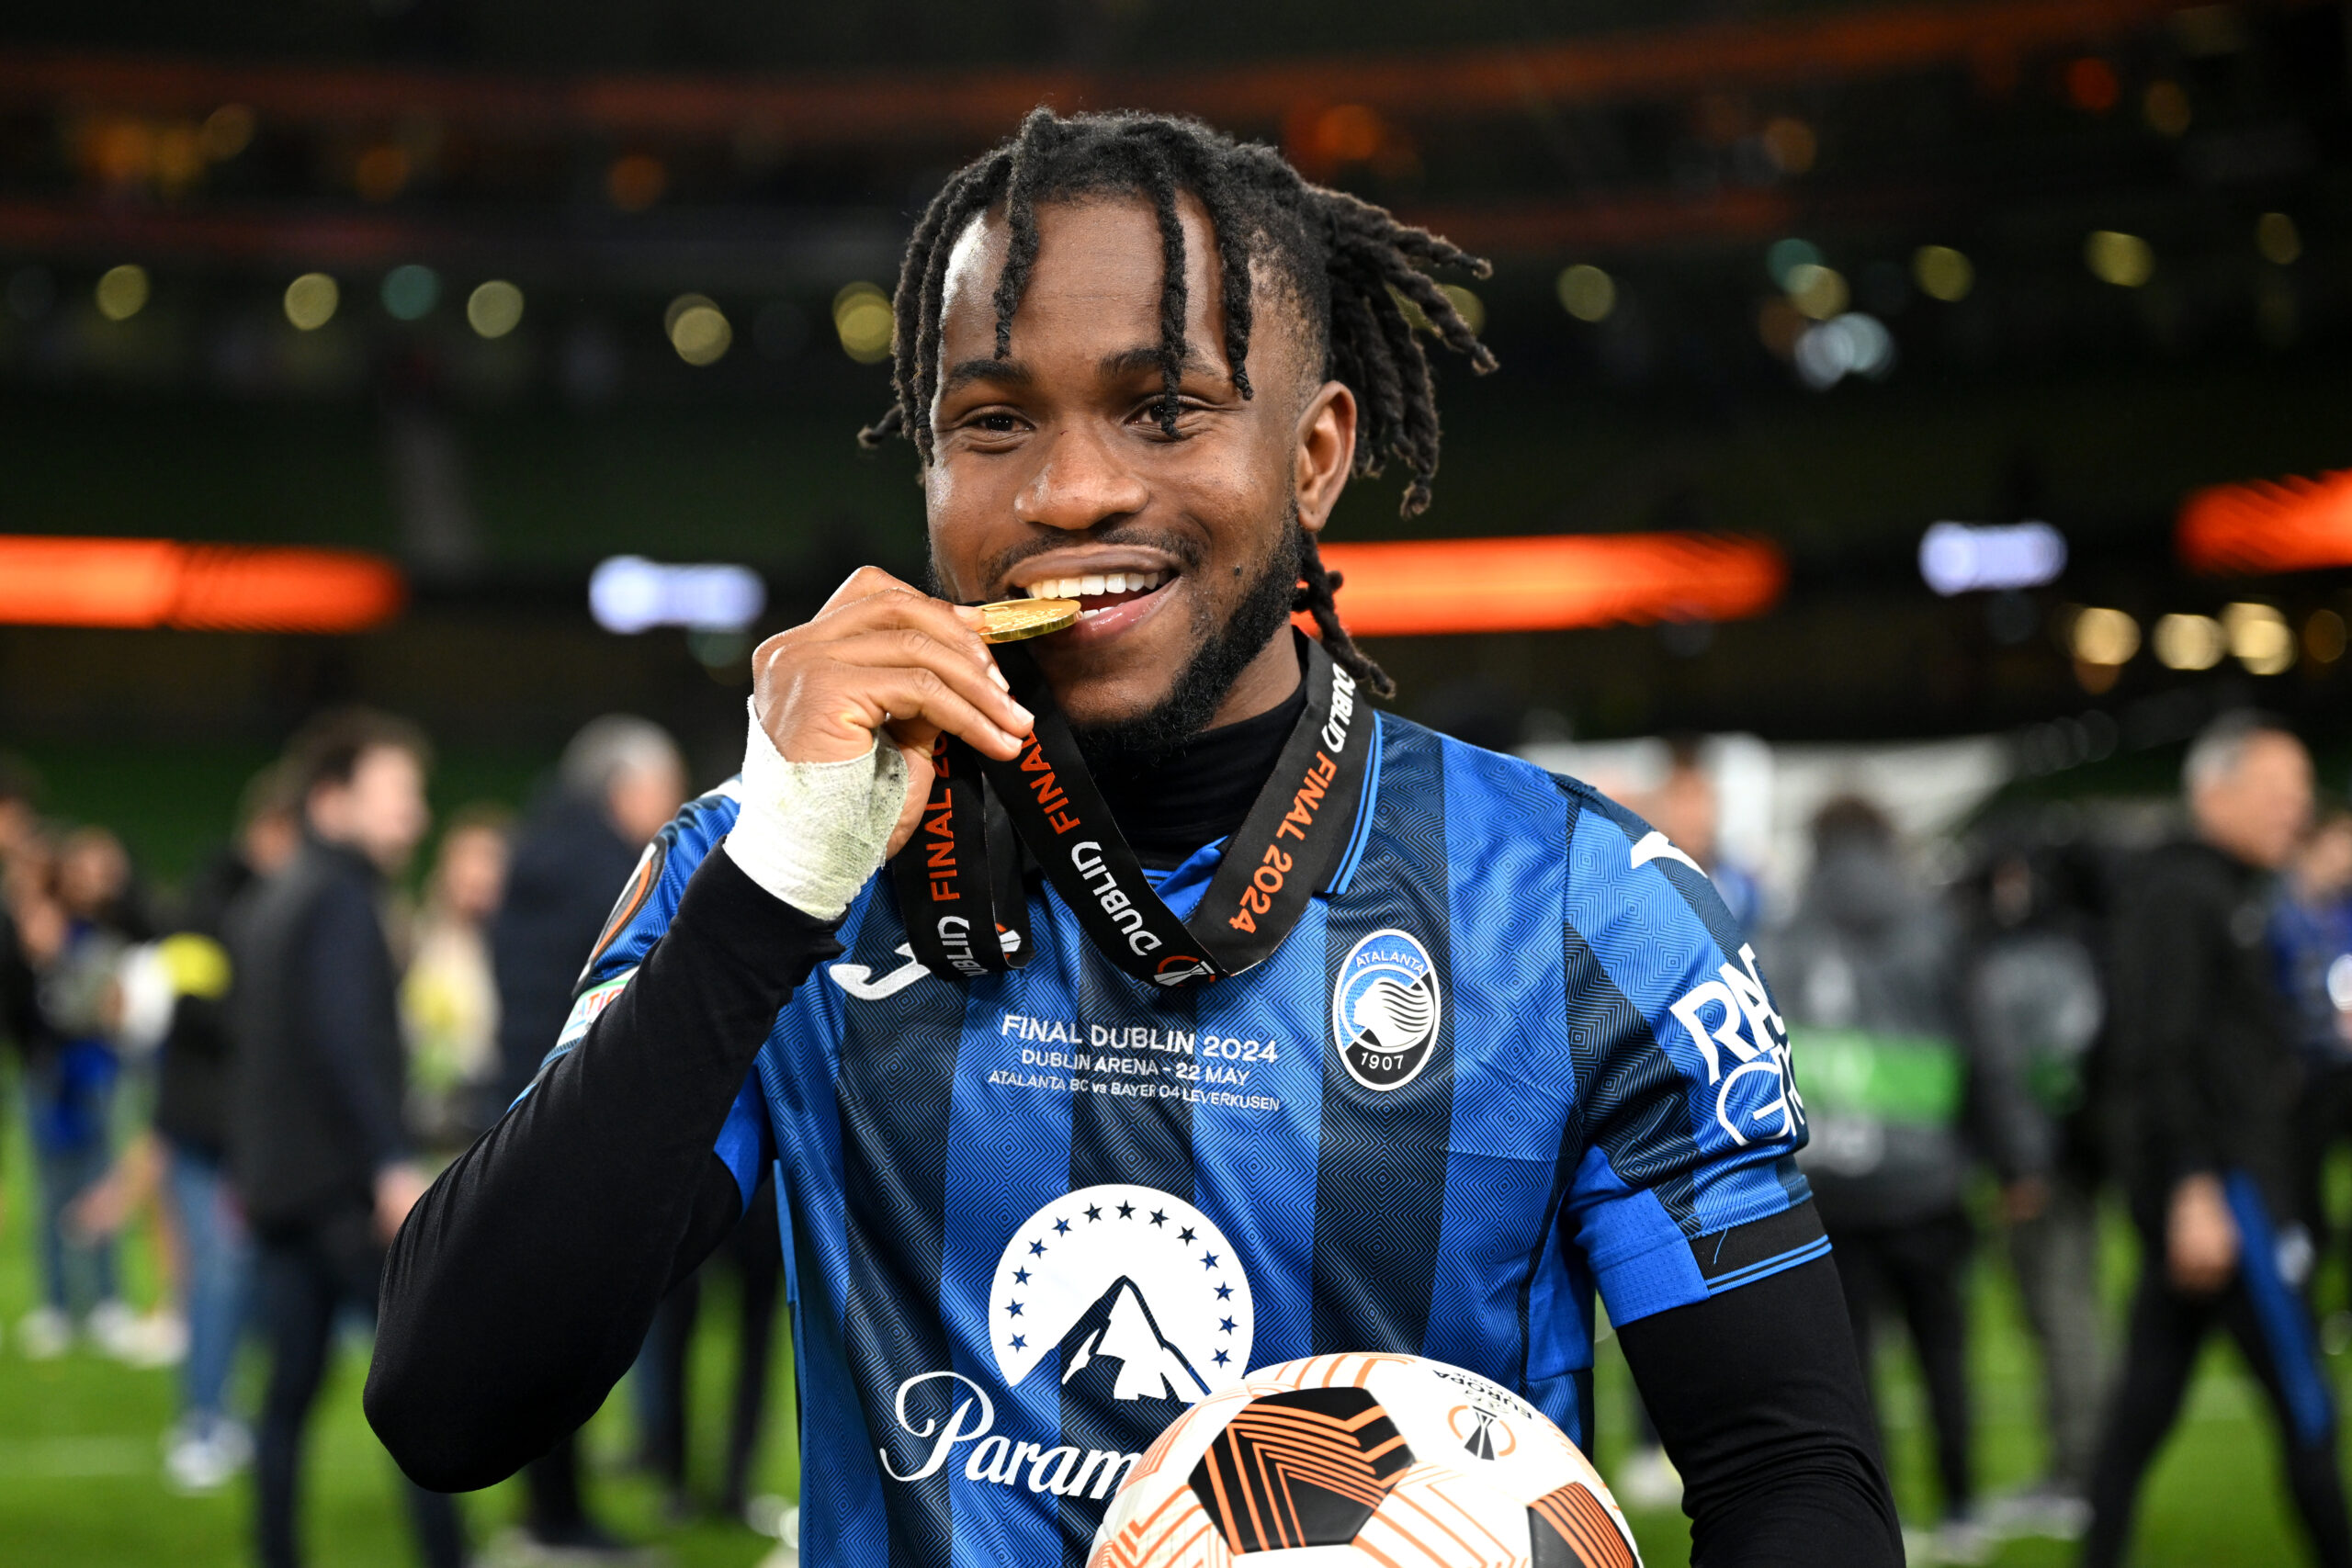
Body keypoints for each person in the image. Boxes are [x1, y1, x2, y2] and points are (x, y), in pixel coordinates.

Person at [368, 108, 1899, 1568]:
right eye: (992, 420)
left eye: (1164, 408)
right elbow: (449, 1404)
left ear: (1313, 458)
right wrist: (773, 890)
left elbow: (1790, 1473)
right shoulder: (770, 866)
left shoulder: (1579, 907)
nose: (1072, 488)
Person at [2084, 714, 2350, 1568]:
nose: (2296, 810)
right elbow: (2157, 1053)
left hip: (2235, 1187)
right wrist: (2196, 1186)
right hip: (2228, 1196)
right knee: (2307, 1404)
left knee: (2145, 1402)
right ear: (2216, 791)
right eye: (2280, 791)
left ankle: (2098, 1553)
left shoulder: (2237, 888)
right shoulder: (2181, 893)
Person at [1767, 795, 2031, 1562]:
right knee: (1943, 1352)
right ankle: (1960, 1505)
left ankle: (1875, 1523)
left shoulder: (1779, 935)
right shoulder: (1935, 927)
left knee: (1850, 1373)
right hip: (1927, 1184)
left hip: (1825, 1189)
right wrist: (2015, 1159)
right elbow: (1986, 1051)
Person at [229, 710, 465, 1568]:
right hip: (340, 1191)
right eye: (398, 794)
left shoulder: (279, 890)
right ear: (333, 799)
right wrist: (389, 1165)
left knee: (285, 1398)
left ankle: (276, 1552)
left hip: (279, 1187)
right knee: (422, 1389)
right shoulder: (338, 897)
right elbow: (343, 1044)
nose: (415, 814)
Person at [486, 715, 684, 1560]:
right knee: (565, 1336)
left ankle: (547, 1507)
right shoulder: (614, 873)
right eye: (665, 789)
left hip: (517, 1103)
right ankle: (560, 1518)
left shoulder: (530, 855)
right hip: (585, 1117)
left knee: (536, 1325)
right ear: (623, 790)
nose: (676, 809)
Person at [1965, 834, 2109, 1539]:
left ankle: (2082, 1473)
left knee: (2062, 1312)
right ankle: (2076, 1467)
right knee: (2063, 1310)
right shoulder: (2072, 945)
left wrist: (2027, 1161)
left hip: (2050, 1164)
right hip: (2064, 1157)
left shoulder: (2039, 956)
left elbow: (2050, 1064)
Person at [2271, 805, 2352, 1317]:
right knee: (2302, 1201)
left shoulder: (2344, 913)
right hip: (2300, 1082)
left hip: (2344, 1074)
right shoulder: (2274, 914)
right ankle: (2301, 1300)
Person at [401, 804, 510, 1152]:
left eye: (488, 861)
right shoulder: (415, 940)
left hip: (493, 1119)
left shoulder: (519, 954)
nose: (475, 875)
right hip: (423, 1121)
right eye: (465, 861)